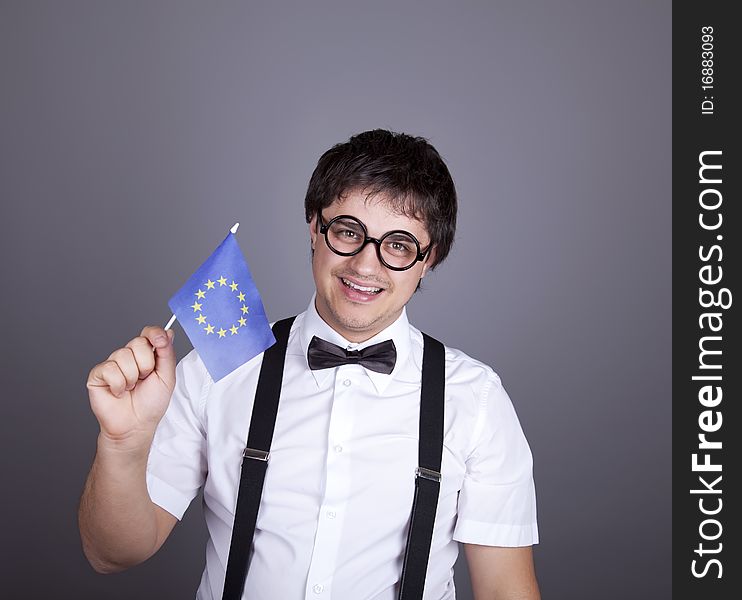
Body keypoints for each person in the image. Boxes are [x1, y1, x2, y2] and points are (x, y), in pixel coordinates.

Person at [79, 129, 540, 600]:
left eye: (398, 245)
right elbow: (111, 553)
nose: (365, 265)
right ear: (314, 227)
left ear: (429, 259)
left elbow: (506, 589)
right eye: (348, 231)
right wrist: (122, 444)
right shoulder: (222, 367)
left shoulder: (475, 398)